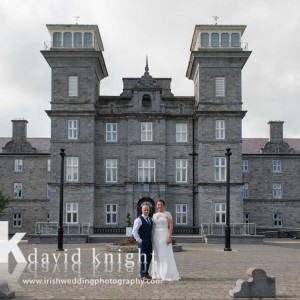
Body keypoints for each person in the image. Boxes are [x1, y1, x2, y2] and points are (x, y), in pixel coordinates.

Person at [151, 199, 180, 281]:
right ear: (156, 206)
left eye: (161, 204)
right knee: (157, 254)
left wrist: (169, 236)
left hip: (164, 234)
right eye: (158, 205)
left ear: (163, 205)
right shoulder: (154, 215)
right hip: (156, 235)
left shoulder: (168, 214)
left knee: (165, 253)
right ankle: (157, 274)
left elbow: (171, 226)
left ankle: (167, 273)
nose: (159, 206)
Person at [132, 204, 153, 281]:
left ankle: (146, 273)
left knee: (149, 257)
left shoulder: (150, 219)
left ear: (149, 210)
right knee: (143, 258)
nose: (146, 211)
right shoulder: (138, 220)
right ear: (142, 210)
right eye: (145, 210)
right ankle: (143, 275)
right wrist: (140, 240)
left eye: (147, 210)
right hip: (143, 242)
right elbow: (134, 231)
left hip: (149, 241)